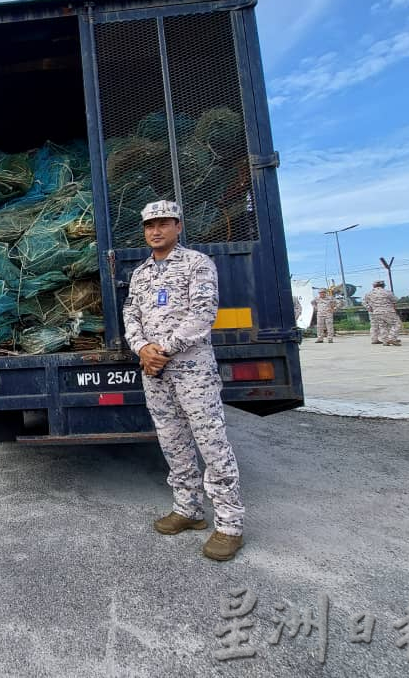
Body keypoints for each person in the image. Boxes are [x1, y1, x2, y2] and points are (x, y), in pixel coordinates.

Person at [122, 200, 244, 562]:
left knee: (211, 443)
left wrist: (163, 348)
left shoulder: (196, 264)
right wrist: (142, 347)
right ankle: (188, 509)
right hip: (155, 373)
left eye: (163, 223)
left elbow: (204, 314)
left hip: (192, 371)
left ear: (178, 226)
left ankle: (230, 525)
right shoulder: (141, 273)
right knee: (173, 442)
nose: (155, 231)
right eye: (149, 225)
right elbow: (131, 312)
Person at [363, 280, 402, 346]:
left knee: (382, 326)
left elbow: (364, 302)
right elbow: (395, 300)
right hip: (388, 311)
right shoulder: (387, 292)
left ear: (374, 285)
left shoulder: (369, 293)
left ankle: (385, 341)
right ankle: (392, 338)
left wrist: (369, 308)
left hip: (376, 312)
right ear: (383, 285)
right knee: (397, 324)